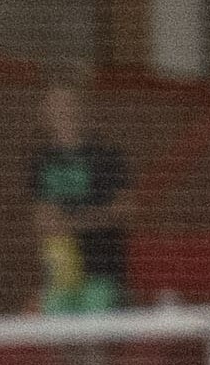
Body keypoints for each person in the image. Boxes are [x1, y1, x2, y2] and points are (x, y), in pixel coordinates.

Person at [24, 69, 140, 315]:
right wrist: (95, 218)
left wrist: (72, 222)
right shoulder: (41, 163)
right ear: (43, 111)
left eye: (68, 103)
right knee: (63, 344)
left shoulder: (106, 157)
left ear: (81, 108)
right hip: (60, 273)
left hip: (101, 272)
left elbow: (126, 210)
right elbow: (43, 222)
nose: (62, 111)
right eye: (54, 103)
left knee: (96, 342)